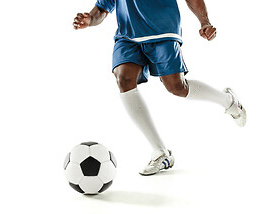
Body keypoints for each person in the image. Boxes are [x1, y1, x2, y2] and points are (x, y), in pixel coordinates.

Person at [72, 0, 246, 176]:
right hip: (128, 36)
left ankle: (228, 101)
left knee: (177, 87)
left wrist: (204, 22)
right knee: (123, 79)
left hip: (163, 31)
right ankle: (160, 152)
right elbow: (102, 9)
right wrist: (89, 20)